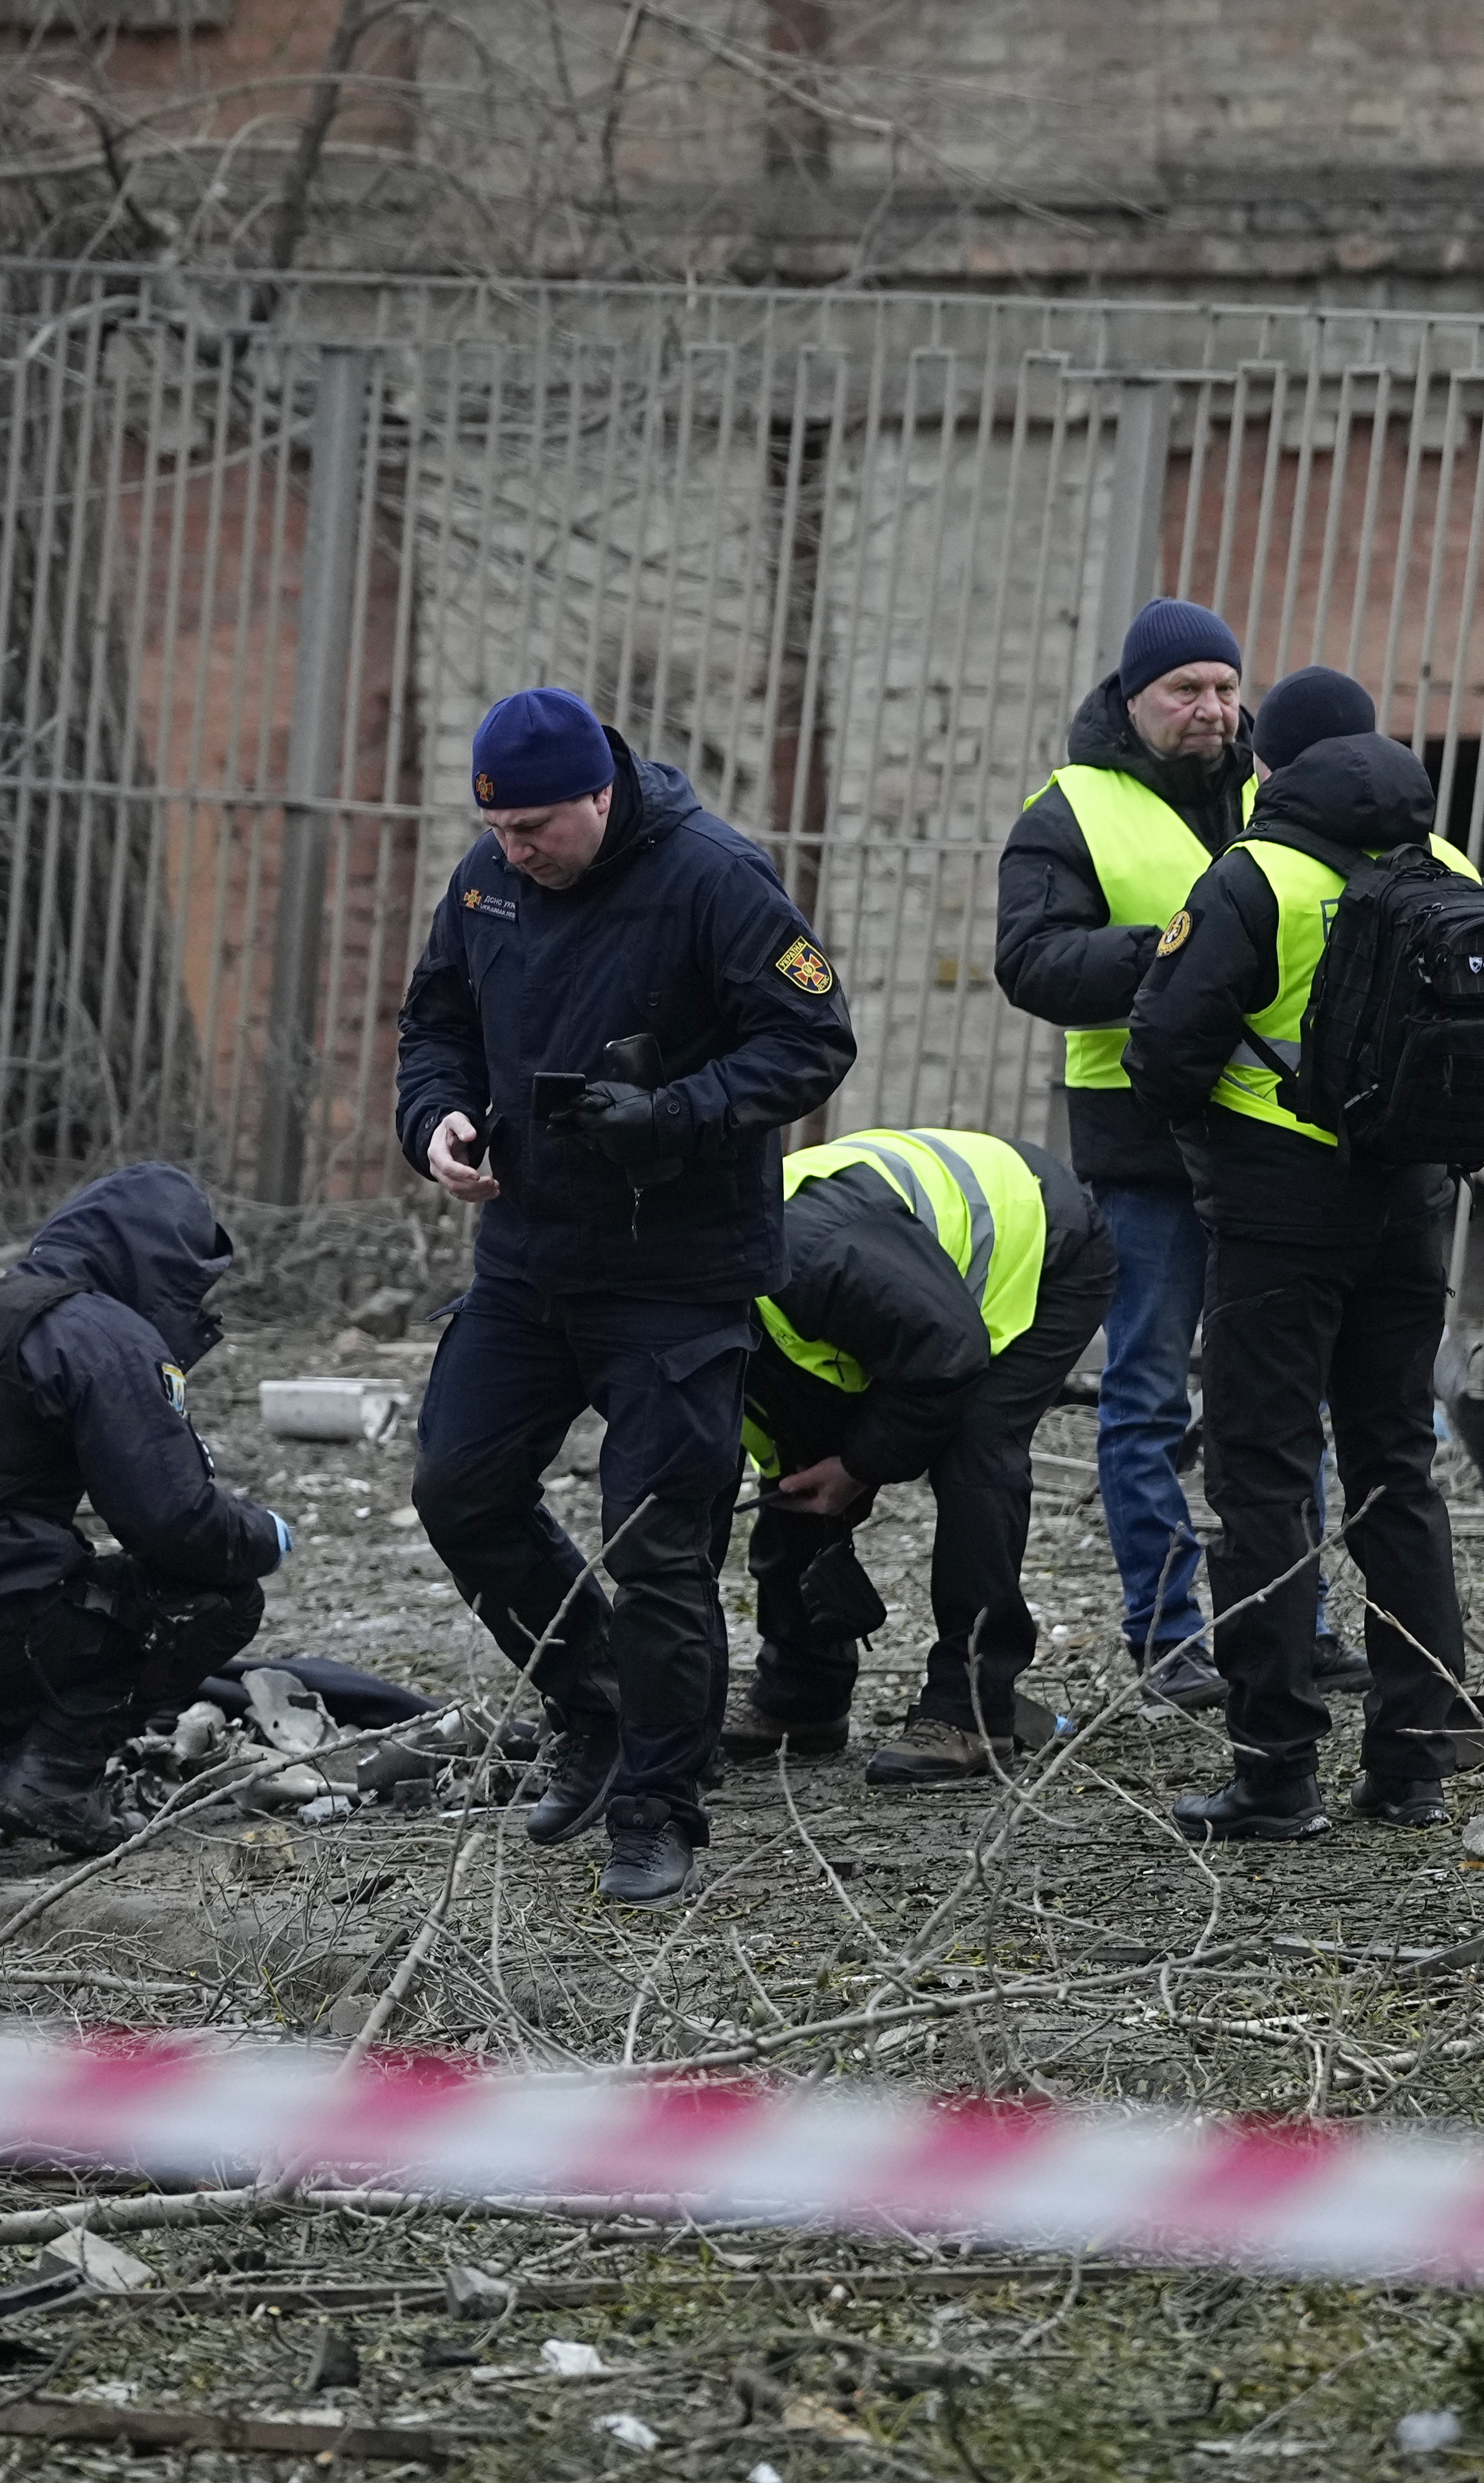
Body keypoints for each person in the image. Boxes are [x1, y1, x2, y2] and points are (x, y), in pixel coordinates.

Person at [398, 686, 857, 1903]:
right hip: (526, 1260)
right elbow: (433, 1022)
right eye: (497, 828)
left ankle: (660, 1802)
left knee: (660, 1547)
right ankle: (587, 1697)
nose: (516, 849)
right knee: (458, 1485)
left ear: (601, 792)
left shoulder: (714, 876)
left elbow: (812, 1038)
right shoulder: (484, 881)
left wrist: (678, 1109)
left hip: (676, 1273)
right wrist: (430, 1120)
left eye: (538, 826)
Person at [992, 614, 1365, 1714]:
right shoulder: (1069, 811)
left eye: (1223, 688)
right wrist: (1181, 951)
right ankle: (1168, 1637)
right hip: (1144, 1144)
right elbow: (1032, 962)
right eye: (1184, 690)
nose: (1210, 709)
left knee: (1284, 1398)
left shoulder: (1285, 793)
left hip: (1277, 1139)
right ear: (1133, 697)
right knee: (1148, 1399)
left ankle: (1301, 1621)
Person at [1125, 702, 1476, 1839]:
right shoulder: (1446, 860)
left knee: (1262, 1479)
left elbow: (1163, 1050)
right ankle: (1416, 1761)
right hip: (1414, 1199)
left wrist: (1221, 1144)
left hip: (1281, 1210)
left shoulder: (1253, 875)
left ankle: (1274, 1768)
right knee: (1397, 1470)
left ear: (1272, 761)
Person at [0, 1163, 289, 1860]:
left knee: (5, 1581)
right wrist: (263, 1535)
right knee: (217, 1596)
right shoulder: (101, 1331)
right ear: (158, 1262)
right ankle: (58, 1778)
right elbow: (174, 1524)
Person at [722, 1125, 1117, 1784]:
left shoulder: (817, 1261)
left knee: (976, 1452)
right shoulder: (715, 1299)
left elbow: (945, 1357)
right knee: (794, 1473)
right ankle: (802, 1694)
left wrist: (857, 1467)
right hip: (914, 1286)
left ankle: (971, 1710)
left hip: (1045, 1238)